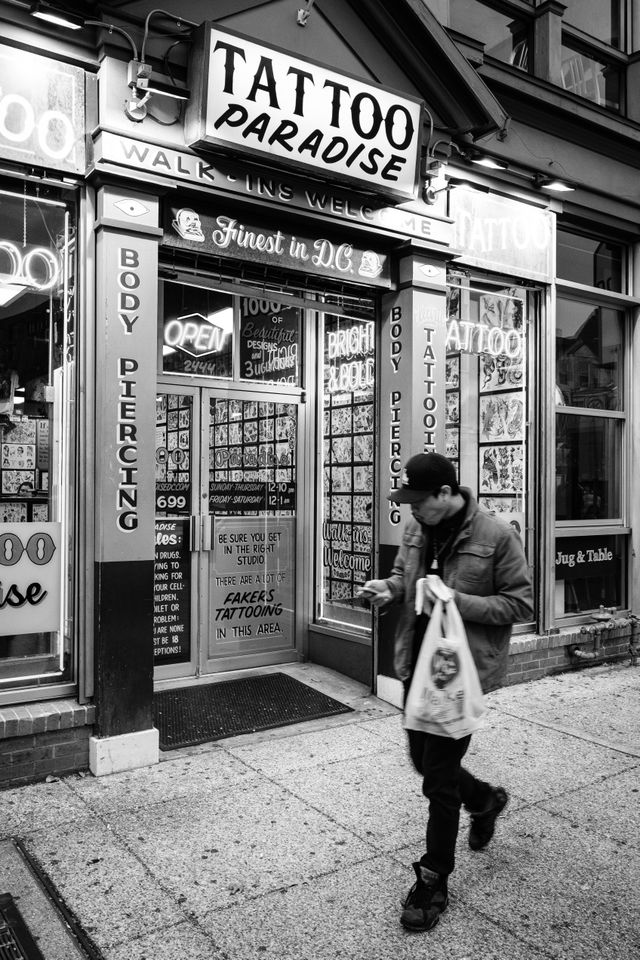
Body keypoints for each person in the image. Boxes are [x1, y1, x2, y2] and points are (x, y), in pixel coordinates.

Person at [361, 452, 533, 933]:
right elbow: (404, 578)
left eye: (420, 501)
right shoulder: (418, 527)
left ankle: (434, 879)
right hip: (417, 663)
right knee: (424, 761)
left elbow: (519, 605)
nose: (412, 511)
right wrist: (388, 589)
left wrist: (456, 600)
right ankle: (484, 799)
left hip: (461, 674)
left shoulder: (497, 535)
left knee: (436, 779)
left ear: (445, 494)